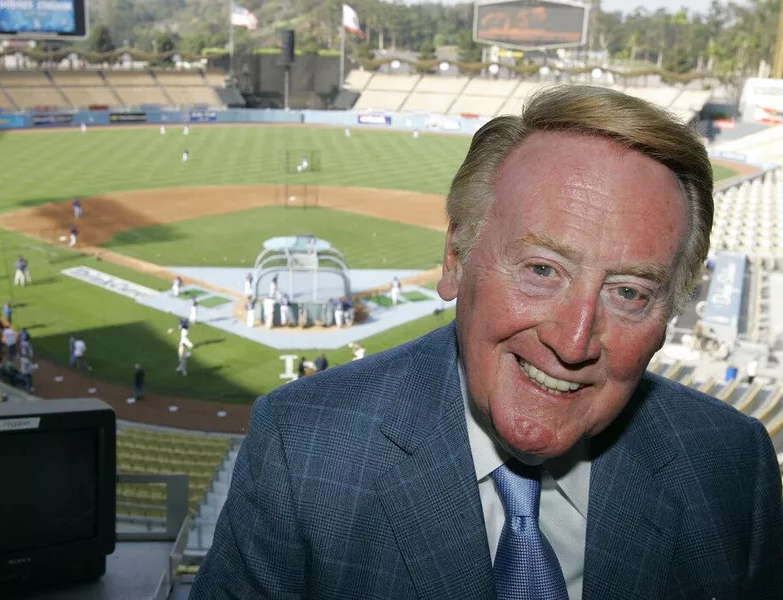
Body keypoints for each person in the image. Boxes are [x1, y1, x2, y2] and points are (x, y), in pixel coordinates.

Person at [191, 86, 783, 598]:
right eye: (542, 270)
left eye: (628, 292)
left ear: (667, 318)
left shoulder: (730, 466)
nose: (574, 341)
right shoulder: (305, 452)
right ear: (455, 257)